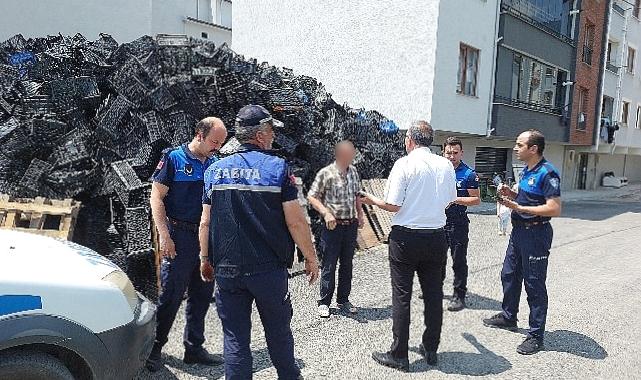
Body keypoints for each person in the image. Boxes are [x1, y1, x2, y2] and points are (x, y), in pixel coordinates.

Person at [199, 104, 320, 379]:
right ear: (261, 134)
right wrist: (311, 257)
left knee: (235, 340)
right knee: (278, 332)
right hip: (267, 270)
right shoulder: (277, 168)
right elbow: (296, 221)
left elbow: (205, 222)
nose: (274, 137)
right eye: (271, 131)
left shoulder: (214, 171)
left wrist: (205, 259)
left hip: (227, 270)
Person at [360, 121, 456, 371]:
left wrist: (370, 199)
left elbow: (393, 205)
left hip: (406, 239)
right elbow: (449, 201)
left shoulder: (404, 164)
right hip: (436, 237)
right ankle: (431, 348)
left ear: (410, 140)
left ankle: (399, 354)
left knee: (402, 296)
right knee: (434, 295)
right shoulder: (445, 164)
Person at [147, 117, 228, 372]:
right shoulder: (173, 159)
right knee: (171, 295)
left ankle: (194, 348)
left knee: (202, 294)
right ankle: (154, 348)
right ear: (199, 135)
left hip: (207, 239)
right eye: (215, 141)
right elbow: (156, 198)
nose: (218, 147)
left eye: (221, 143)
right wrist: (164, 235)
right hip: (179, 237)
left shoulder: (215, 163)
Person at [483, 129, 562, 355]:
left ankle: (536, 336)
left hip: (536, 234)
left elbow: (554, 207)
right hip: (518, 233)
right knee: (509, 274)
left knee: (534, 285)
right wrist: (512, 195)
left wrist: (520, 208)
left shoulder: (548, 173)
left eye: (520, 145)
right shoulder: (528, 170)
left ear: (533, 149)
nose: (516, 148)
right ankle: (509, 316)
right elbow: (528, 198)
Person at [308, 140, 364, 318]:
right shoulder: (326, 173)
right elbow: (312, 197)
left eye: (352, 154)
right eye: (348, 154)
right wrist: (326, 213)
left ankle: (343, 300)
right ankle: (324, 302)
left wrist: (360, 214)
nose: (351, 157)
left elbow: (357, 195)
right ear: (339, 154)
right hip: (332, 226)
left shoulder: (354, 172)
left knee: (347, 265)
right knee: (329, 265)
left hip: (350, 225)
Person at [442, 137, 480, 311]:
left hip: (458, 223)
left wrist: (455, 200)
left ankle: (459, 296)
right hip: (439, 221)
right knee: (436, 258)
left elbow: (476, 200)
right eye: (448, 152)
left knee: (458, 261)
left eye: (455, 153)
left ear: (461, 153)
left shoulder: (468, 174)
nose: (451, 156)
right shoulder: (439, 171)